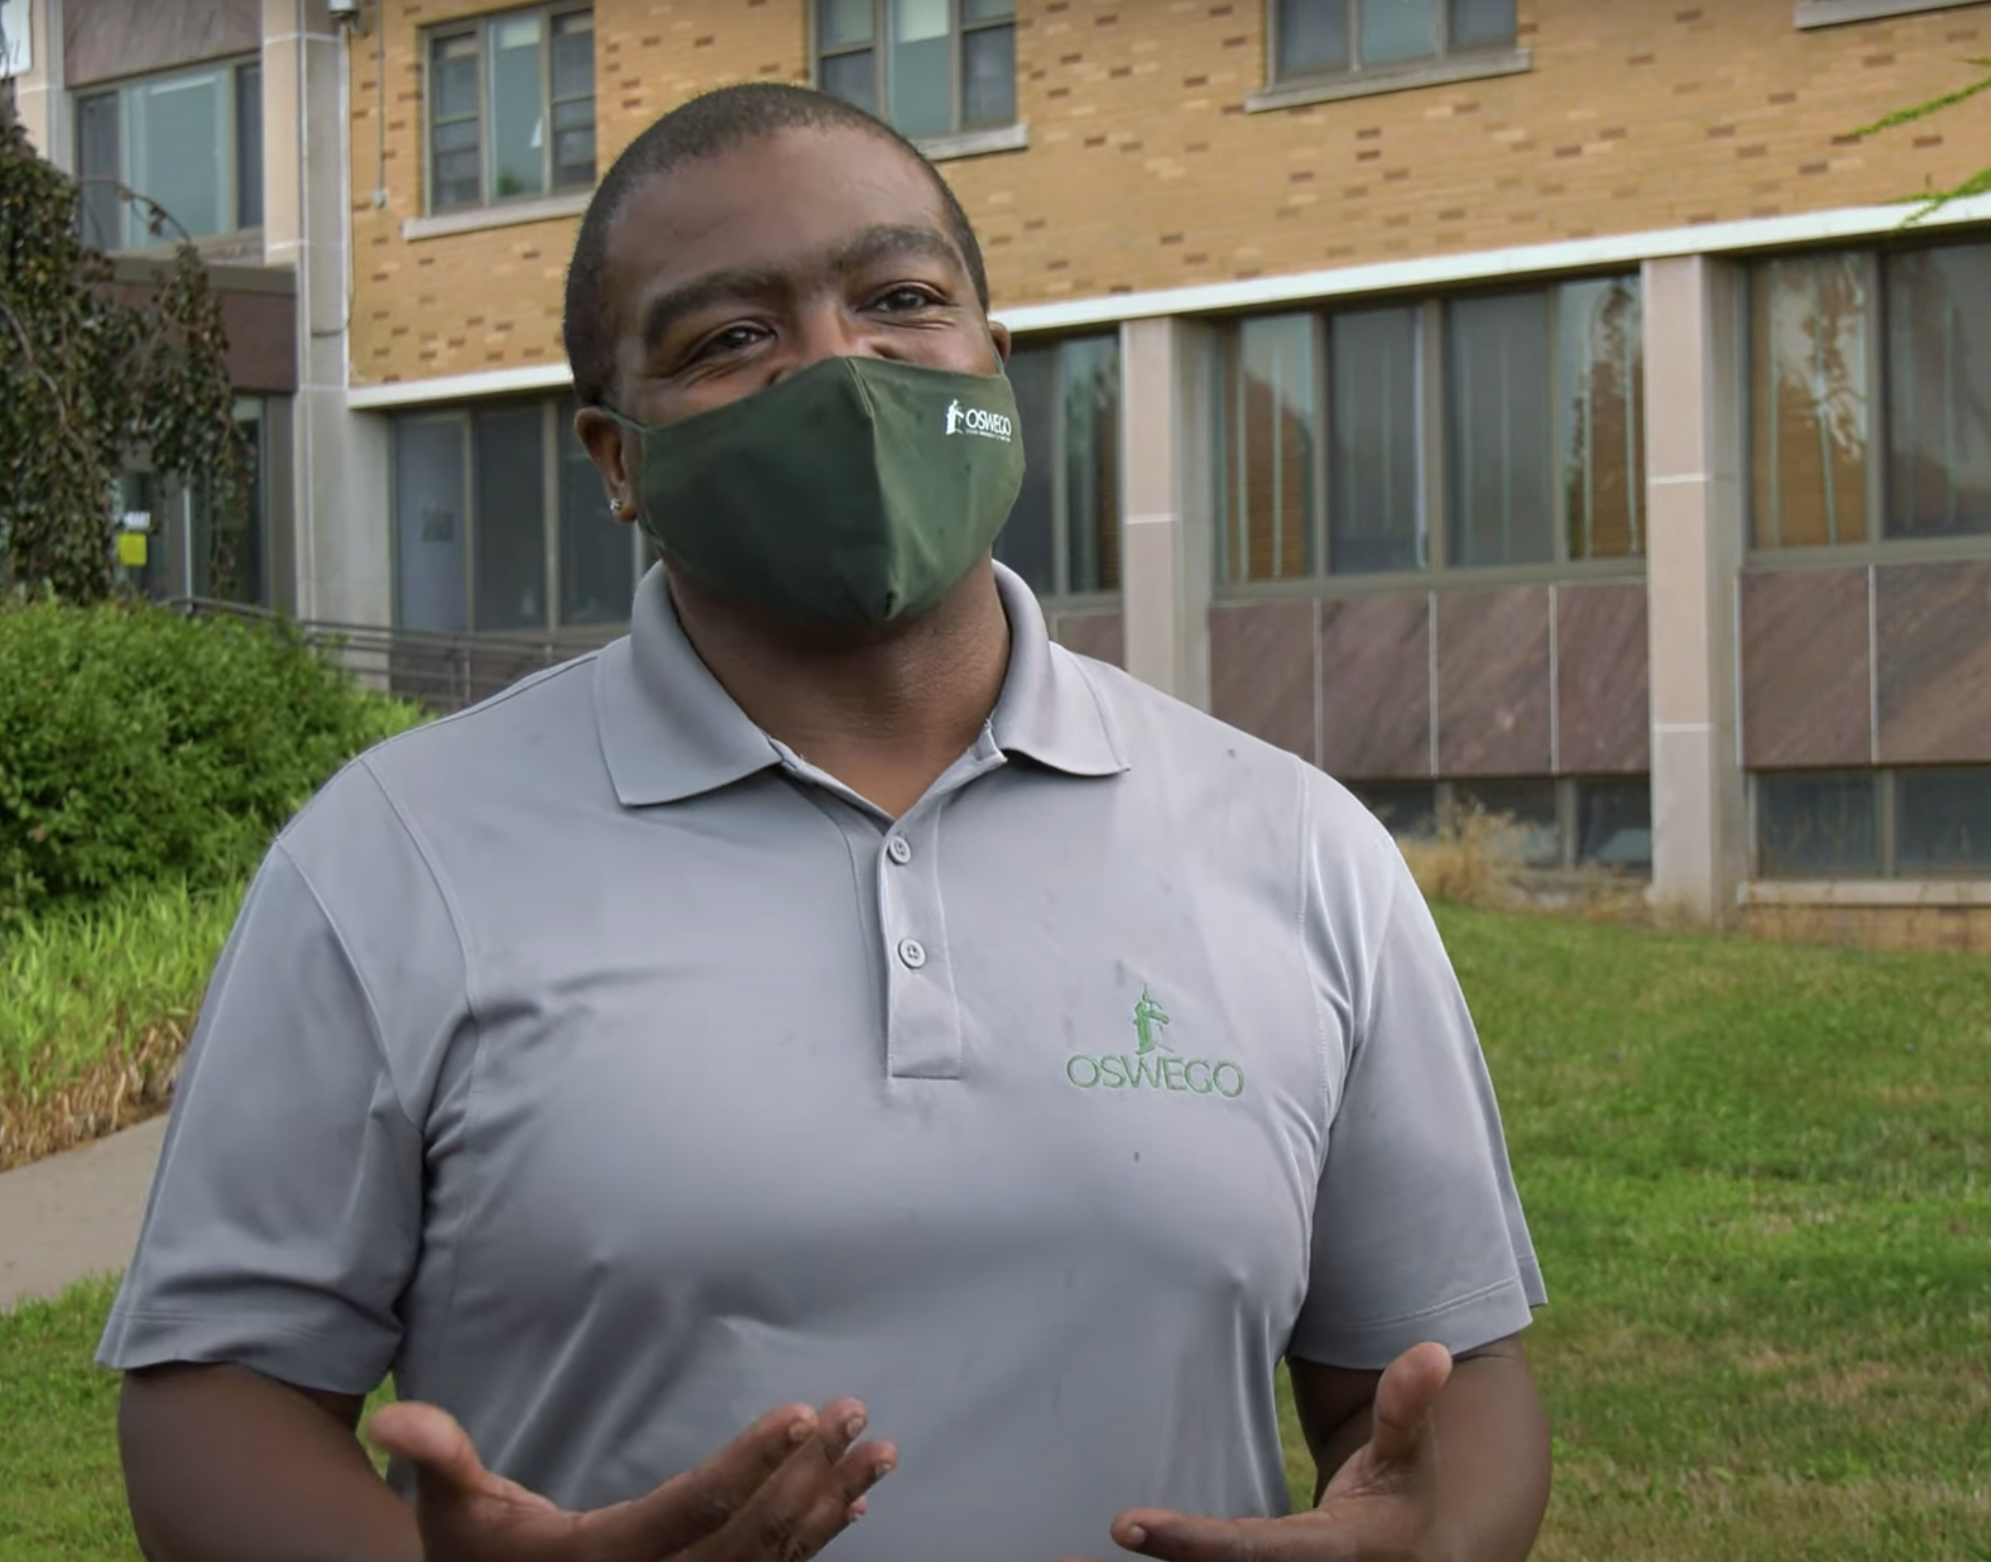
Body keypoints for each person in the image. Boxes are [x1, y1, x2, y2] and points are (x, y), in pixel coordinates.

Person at [99, 82, 1552, 1562]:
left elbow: (1447, 1372)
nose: (841, 370)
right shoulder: (387, 861)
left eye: (900, 296)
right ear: (615, 458)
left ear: (998, 357)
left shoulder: (1296, 846)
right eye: (731, 338)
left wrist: (1428, 1542)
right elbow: (216, 1393)